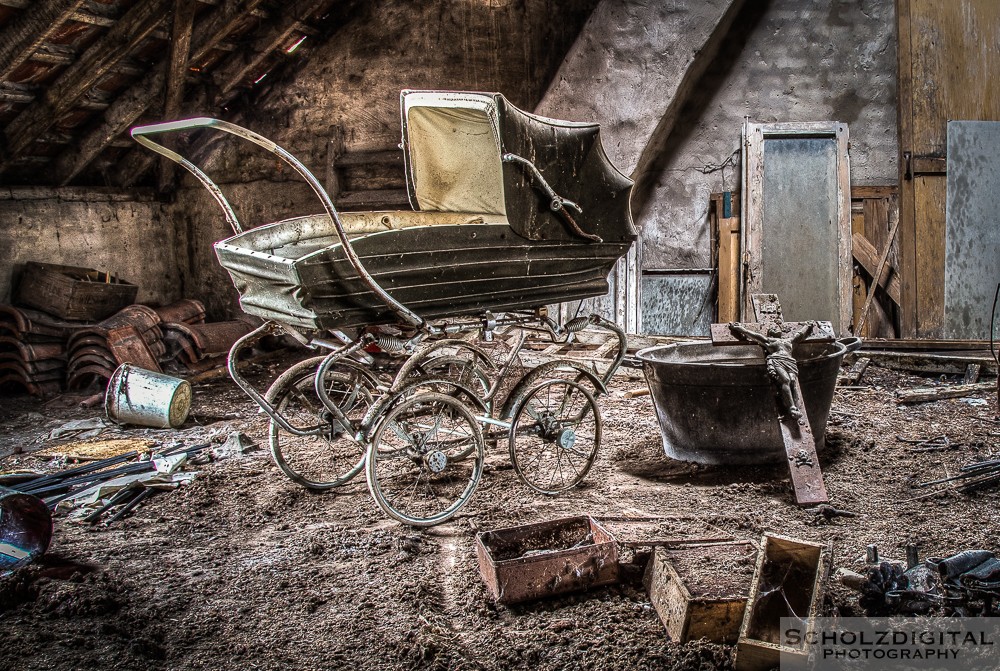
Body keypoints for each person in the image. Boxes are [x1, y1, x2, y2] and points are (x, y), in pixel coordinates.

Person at [728, 321, 815, 418]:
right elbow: (754, 335)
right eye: (773, 328)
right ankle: (792, 407)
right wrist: (740, 329)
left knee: (793, 382)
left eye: (777, 327)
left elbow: (800, 335)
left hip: (790, 362)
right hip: (777, 360)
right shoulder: (769, 341)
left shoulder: (789, 340)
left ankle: (796, 407)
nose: (776, 328)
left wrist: (808, 326)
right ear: (770, 333)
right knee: (786, 380)